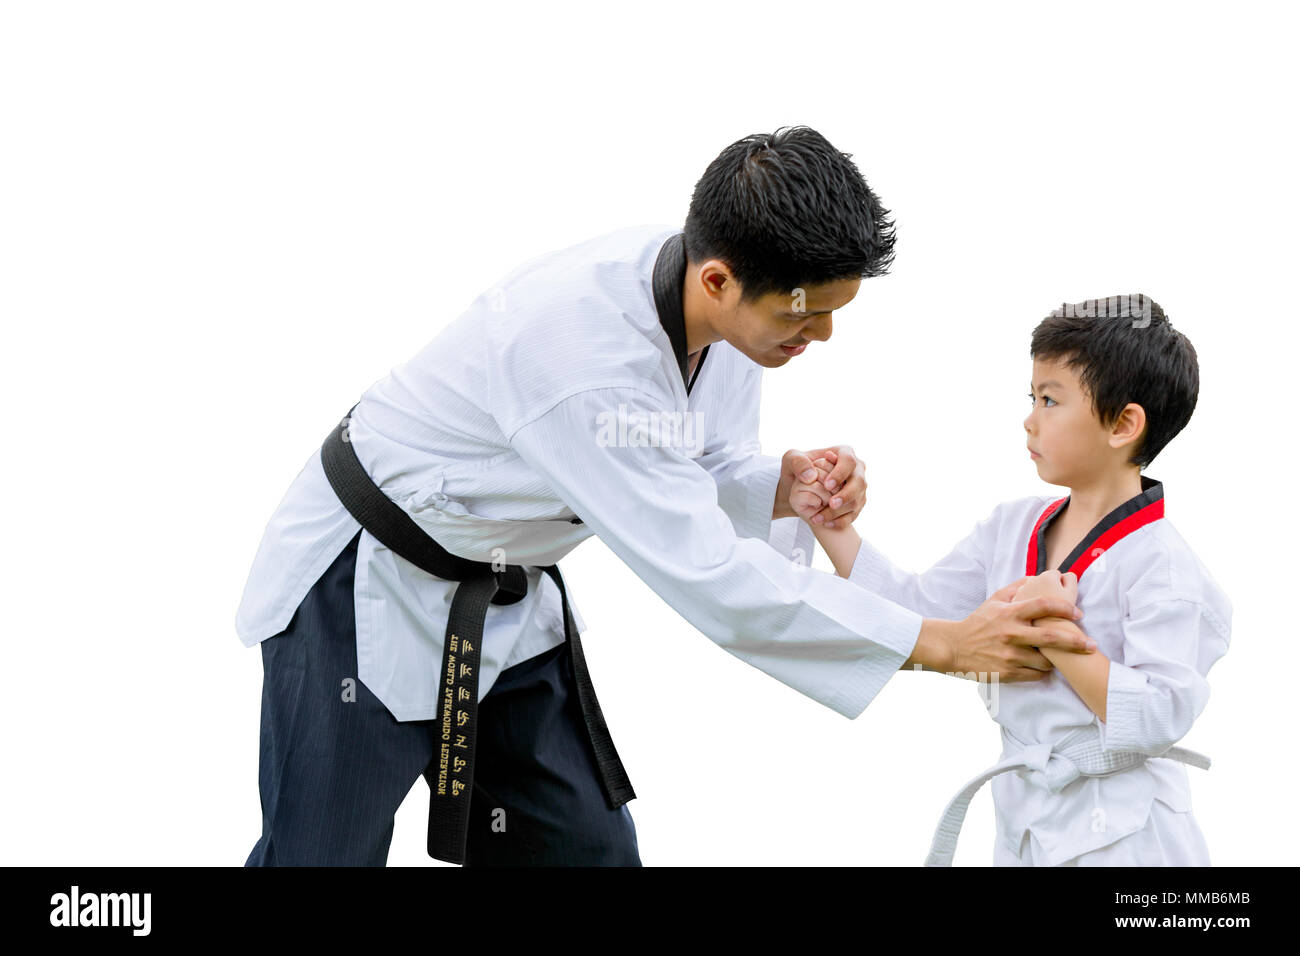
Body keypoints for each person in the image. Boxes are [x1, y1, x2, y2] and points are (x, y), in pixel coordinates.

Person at [234, 126, 1090, 867]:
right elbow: (709, 575)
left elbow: (694, 470)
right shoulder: (578, 357)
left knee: (581, 853)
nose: (821, 334)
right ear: (720, 279)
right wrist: (940, 643)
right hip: (362, 589)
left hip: (503, 594)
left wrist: (781, 488)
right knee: (320, 855)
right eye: (805, 311)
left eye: (833, 311)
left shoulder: (713, 311)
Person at [793, 294, 1231, 866]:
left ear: (1124, 423)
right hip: (1025, 819)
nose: (1029, 418)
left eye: (1050, 400)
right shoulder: (1012, 527)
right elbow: (914, 613)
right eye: (1032, 397)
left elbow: (1156, 716)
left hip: (1129, 838)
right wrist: (831, 522)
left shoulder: (1163, 566)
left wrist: (1048, 627)